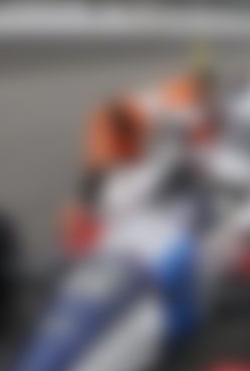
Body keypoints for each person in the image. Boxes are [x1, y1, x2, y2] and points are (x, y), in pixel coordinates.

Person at [61, 52, 218, 254]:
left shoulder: (169, 101)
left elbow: (193, 136)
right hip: (131, 171)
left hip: (135, 157)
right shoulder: (164, 107)